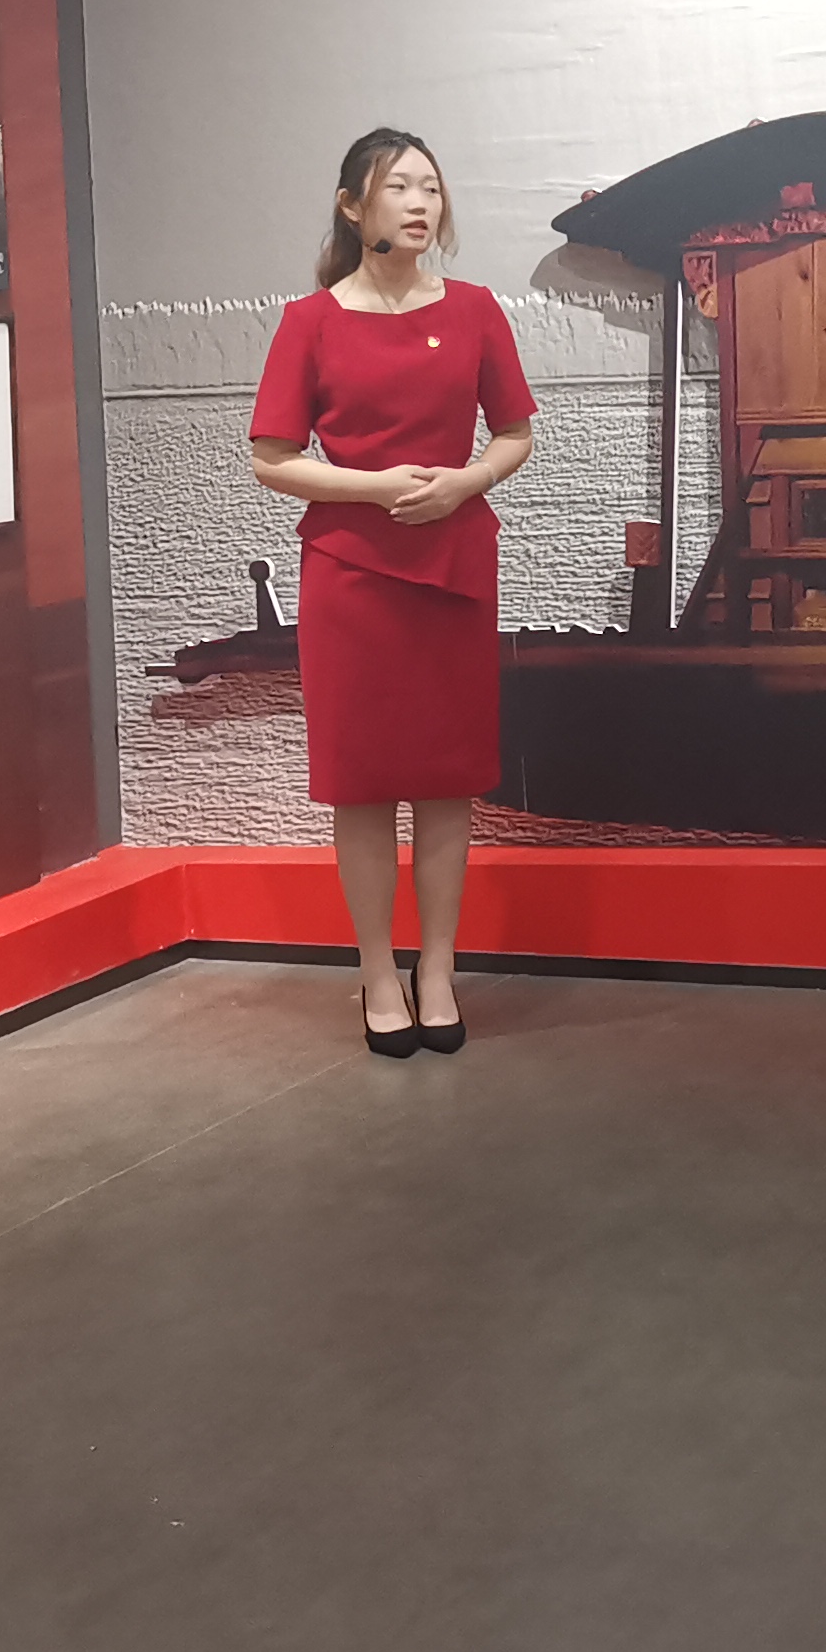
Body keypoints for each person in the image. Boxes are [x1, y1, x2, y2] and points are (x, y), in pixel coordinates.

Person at [248, 129, 537, 1057]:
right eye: (399, 187)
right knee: (364, 785)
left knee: (449, 782)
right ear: (352, 206)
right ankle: (379, 972)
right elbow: (272, 458)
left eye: (431, 189)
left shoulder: (478, 309)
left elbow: (516, 434)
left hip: (455, 567)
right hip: (351, 574)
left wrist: (466, 482)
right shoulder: (310, 321)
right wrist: (375, 487)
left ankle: (438, 969)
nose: (420, 204)